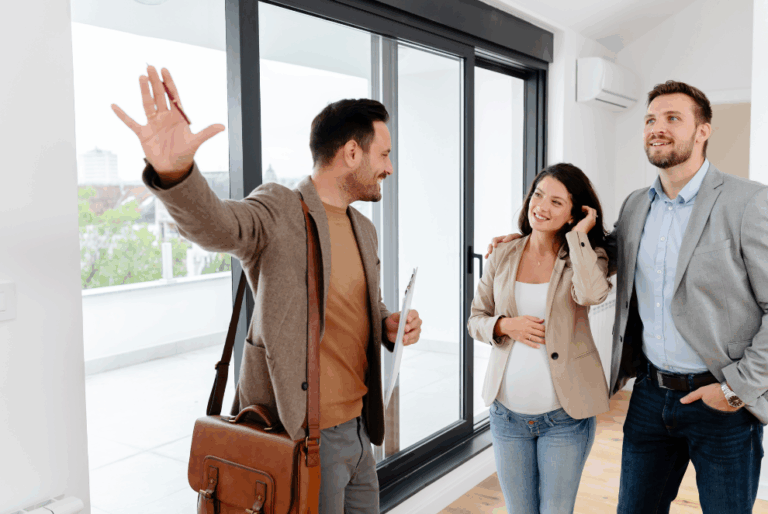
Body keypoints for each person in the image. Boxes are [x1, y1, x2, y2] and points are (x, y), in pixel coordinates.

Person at [112, 65, 423, 514]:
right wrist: (176, 170)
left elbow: (360, 307)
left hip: (358, 427)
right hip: (301, 435)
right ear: (352, 153)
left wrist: (387, 323)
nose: (390, 168)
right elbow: (219, 226)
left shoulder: (362, 229)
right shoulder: (279, 208)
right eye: (385, 155)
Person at [487, 81, 768, 513]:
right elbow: (599, 261)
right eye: (651, 119)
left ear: (703, 131)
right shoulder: (637, 206)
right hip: (650, 395)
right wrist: (532, 237)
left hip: (719, 399)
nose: (658, 128)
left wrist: (736, 390)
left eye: (673, 118)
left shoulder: (747, 202)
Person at [468, 163, 612, 514]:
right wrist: (505, 326)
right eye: (538, 195)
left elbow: (591, 295)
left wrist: (580, 235)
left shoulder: (587, 256)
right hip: (507, 418)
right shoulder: (502, 254)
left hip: (564, 419)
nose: (541, 207)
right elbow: (476, 320)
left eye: (556, 202)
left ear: (573, 214)